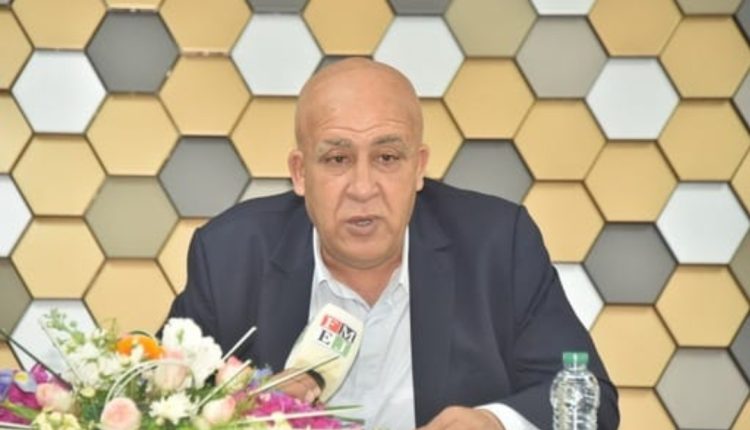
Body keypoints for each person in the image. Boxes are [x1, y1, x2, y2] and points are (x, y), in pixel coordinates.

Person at [165, 58, 619, 429]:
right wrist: (248, 410)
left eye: (387, 157)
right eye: (337, 159)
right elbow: (155, 399)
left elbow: (591, 400)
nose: (363, 188)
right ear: (300, 173)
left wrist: (494, 423)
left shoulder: (497, 245)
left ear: (418, 167)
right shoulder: (229, 255)